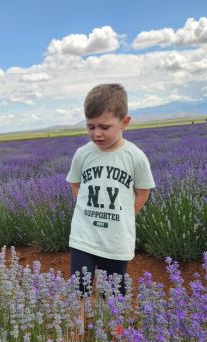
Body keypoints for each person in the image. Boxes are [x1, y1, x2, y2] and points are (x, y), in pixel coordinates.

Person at [66, 83, 156, 302]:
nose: (96, 133)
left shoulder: (135, 156)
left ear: (124, 122)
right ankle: (78, 332)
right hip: (83, 236)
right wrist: (85, 209)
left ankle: (115, 333)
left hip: (116, 240)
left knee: (114, 293)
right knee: (79, 288)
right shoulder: (83, 154)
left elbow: (143, 192)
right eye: (90, 127)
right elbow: (75, 184)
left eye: (104, 127)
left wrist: (126, 215)